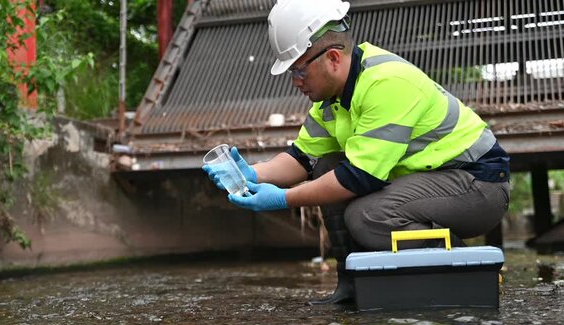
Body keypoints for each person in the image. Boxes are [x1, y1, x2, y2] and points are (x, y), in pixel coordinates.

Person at [203, 0, 510, 305]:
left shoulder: (386, 82)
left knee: (367, 217)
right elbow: (302, 158)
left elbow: (359, 178)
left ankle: (467, 268)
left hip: (478, 185)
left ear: (333, 58)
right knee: (327, 165)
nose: (296, 82)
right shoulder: (332, 101)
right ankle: (352, 284)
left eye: (299, 71)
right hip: (433, 182)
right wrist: (252, 173)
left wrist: (282, 198)